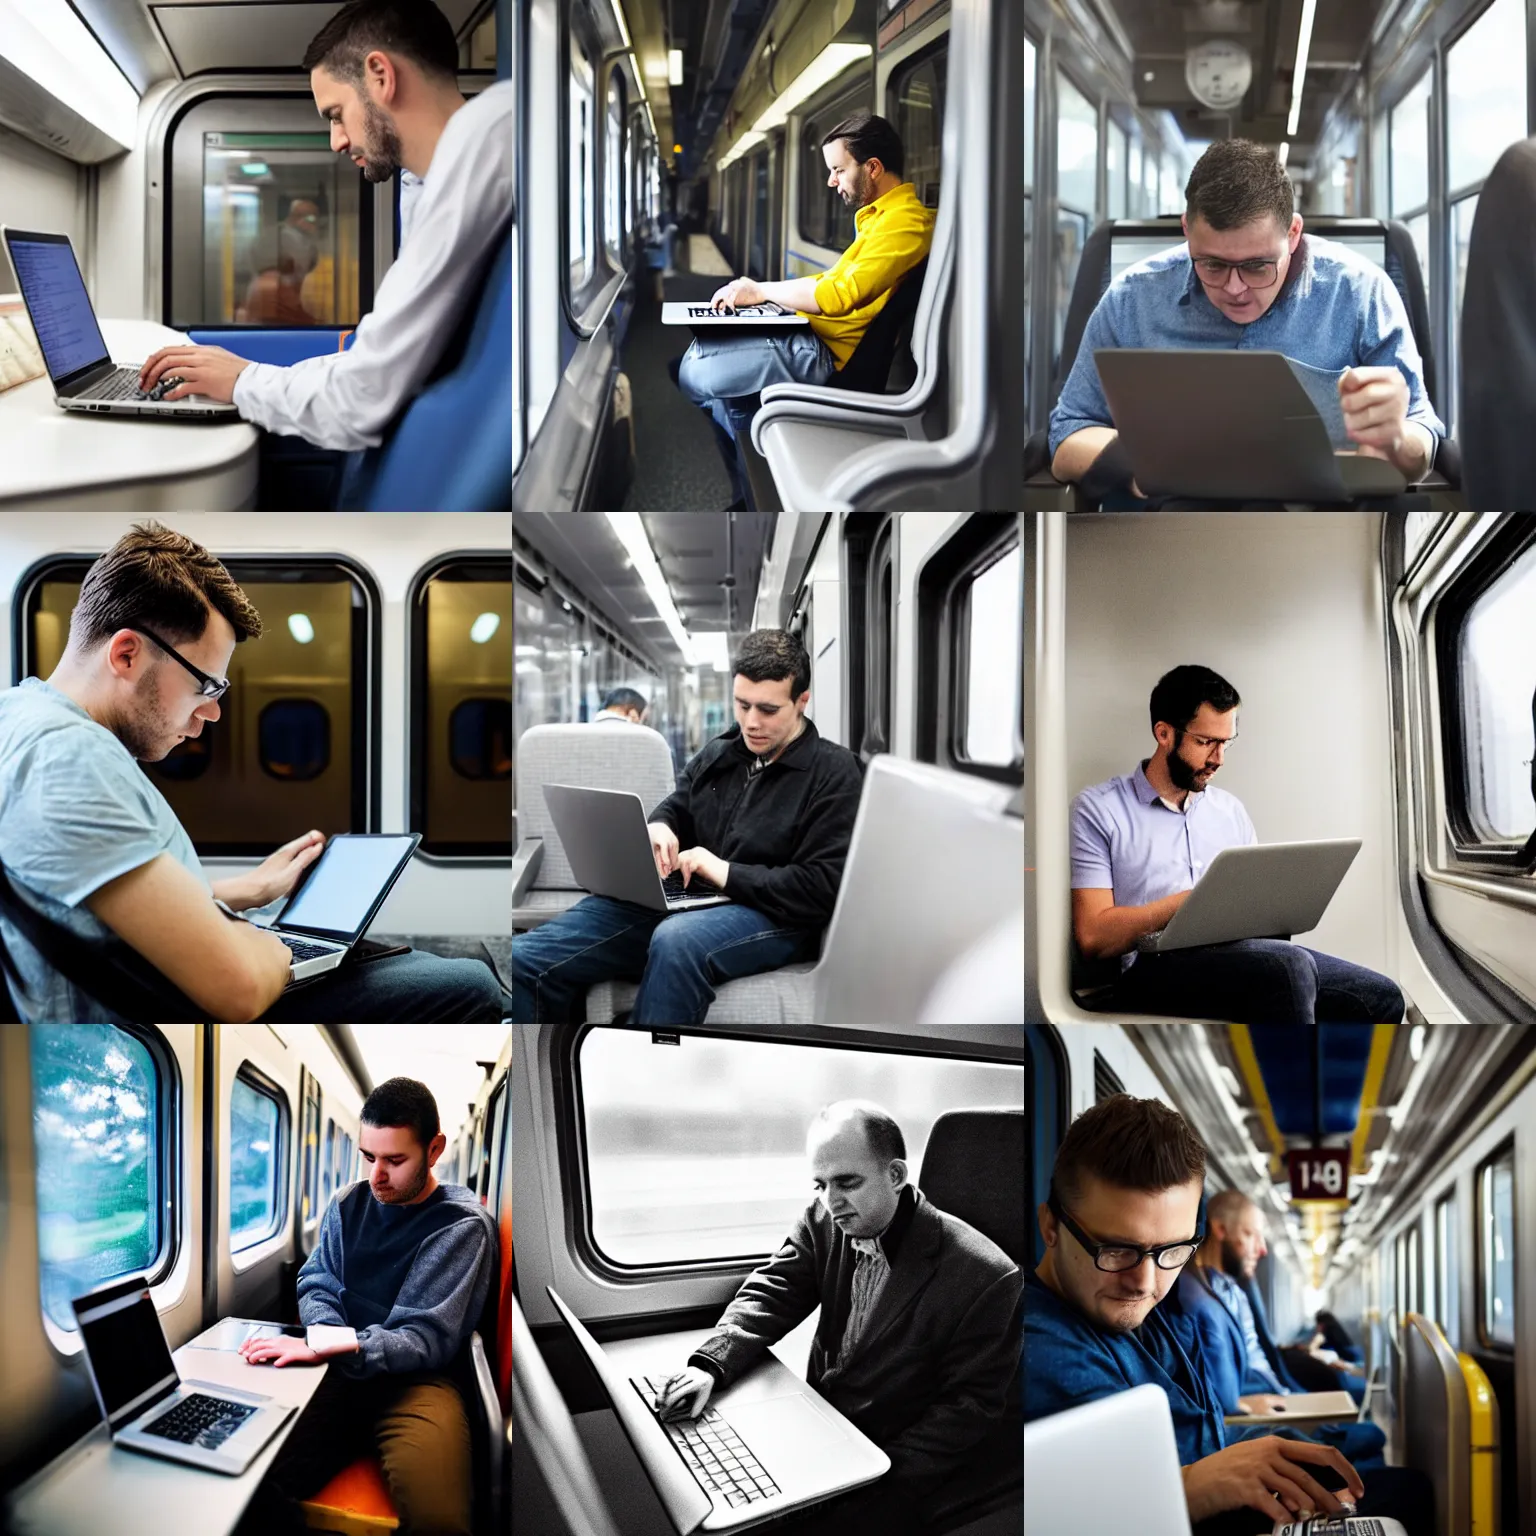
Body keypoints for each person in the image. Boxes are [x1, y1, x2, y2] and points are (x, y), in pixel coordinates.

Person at [0, 522, 504, 1023]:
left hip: (164, 978)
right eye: (206, 686)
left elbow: (93, 904)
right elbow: (237, 992)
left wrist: (251, 889)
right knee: (472, 985)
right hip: (180, 1003)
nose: (212, 713)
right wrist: (276, 945)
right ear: (127, 653)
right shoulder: (65, 761)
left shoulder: (20, 716)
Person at [1025, 1094, 1432, 1536]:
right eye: (1116, 1249)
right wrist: (1190, 1486)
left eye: (1172, 1250)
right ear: (1050, 1226)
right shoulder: (1038, 1348)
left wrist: (1276, 1451)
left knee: (1403, 1489)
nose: (1144, 1282)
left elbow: (1203, 1432)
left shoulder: (1139, 1310)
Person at [136, 0, 511, 454]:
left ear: (380, 75)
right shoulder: (425, 180)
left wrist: (242, 382)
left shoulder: (482, 142)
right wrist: (245, 372)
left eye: (335, 114)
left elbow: (361, 397)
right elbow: (376, 360)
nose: (336, 141)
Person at [653, 1101, 1020, 1535]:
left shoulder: (988, 1277)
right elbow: (773, 1290)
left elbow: (967, 1410)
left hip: (890, 1460)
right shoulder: (823, 1220)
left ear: (897, 1176)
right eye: (820, 1185)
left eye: (847, 1182)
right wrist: (711, 1364)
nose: (832, 1202)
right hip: (820, 1423)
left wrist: (867, 1478)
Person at [1048, 138, 1444, 505]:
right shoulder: (1131, 300)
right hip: (1169, 525)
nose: (1235, 288)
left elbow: (1422, 449)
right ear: (1187, 230)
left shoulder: (1361, 293)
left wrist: (1394, 440)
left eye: (1257, 266)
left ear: (1292, 233)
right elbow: (1066, 434)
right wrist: (1140, 462)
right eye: (1213, 264)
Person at [511, 629, 864, 1024]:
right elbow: (679, 804)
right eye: (742, 704)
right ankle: (543, 1060)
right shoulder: (722, 752)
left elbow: (819, 888)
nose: (751, 722)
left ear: (801, 701)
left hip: (774, 914)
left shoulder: (835, 773)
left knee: (677, 941)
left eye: (767, 710)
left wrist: (724, 872)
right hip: (693, 898)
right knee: (527, 958)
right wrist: (660, 825)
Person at [232, 1078, 497, 1536]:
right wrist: (324, 1337)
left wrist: (335, 1345)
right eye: (368, 1157)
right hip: (337, 1371)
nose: (376, 1175)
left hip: (417, 1385)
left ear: (434, 1150)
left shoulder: (461, 1225)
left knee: (440, 1521)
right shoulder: (347, 1203)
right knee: (246, 1480)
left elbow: (422, 1338)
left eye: (395, 1160)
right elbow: (316, 1283)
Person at [1070, 663, 1405, 1025]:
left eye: (1226, 743)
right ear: (1164, 733)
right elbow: (1093, 937)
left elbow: (1256, 912)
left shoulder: (1230, 811)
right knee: (1288, 968)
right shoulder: (1098, 809)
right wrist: (1187, 905)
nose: (1219, 759)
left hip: (1237, 955)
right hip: (1146, 969)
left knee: (1381, 997)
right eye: (1205, 743)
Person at [676, 112, 935, 510]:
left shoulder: (904, 224)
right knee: (724, 392)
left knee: (694, 373)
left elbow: (838, 294)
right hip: (814, 335)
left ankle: (754, 490)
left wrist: (760, 290)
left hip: (825, 353)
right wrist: (765, 299)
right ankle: (750, 492)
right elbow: (833, 281)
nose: (831, 181)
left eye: (838, 170)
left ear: (873, 168)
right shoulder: (878, 220)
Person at [1176, 1191, 1384, 1465]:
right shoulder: (1201, 1302)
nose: (1262, 1250)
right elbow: (1224, 1399)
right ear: (1221, 1229)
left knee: (1371, 1435)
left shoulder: (1232, 1292)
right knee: (1374, 1440)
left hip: (1277, 1398)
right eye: (1251, 1234)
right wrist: (1246, 1405)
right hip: (1260, 1418)